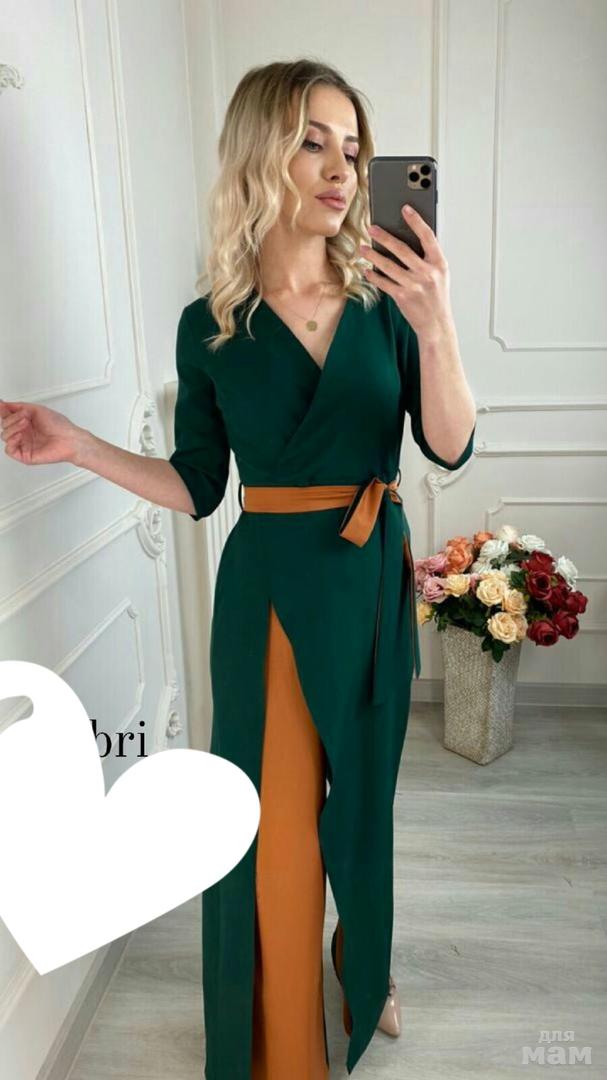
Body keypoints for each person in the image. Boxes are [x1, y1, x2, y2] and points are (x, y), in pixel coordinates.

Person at [1, 58, 476, 1079]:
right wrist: (78, 445)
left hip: (368, 585)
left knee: (363, 811)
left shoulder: (387, 302)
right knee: (278, 827)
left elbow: (448, 446)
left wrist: (437, 321)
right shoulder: (210, 323)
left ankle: (362, 960)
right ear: (261, 153)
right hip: (265, 595)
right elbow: (196, 486)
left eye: (352, 148)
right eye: (312, 141)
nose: (341, 169)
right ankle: (282, 1048)